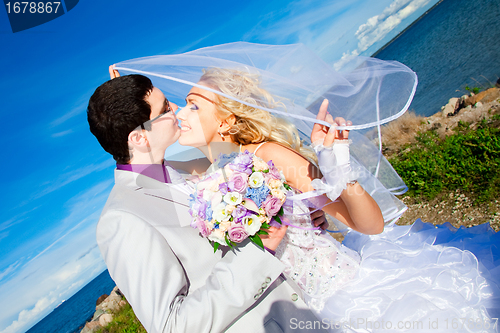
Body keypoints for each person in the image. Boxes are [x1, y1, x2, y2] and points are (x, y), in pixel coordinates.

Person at [172, 67, 499, 332]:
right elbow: (144, 159)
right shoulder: (207, 178)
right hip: (298, 316)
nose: (181, 113)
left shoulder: (268, 154)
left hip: (352, 295)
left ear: (227, 118)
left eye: (193, 104)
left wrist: (338, 168)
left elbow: (369, 224)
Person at [87, 74, 330, 333]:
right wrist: (260, 253)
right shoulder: (123, 218)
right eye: (166, 107)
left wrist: (301, 218)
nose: (177, 110)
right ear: (139, 138)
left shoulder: (191, 174)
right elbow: (172, 325)